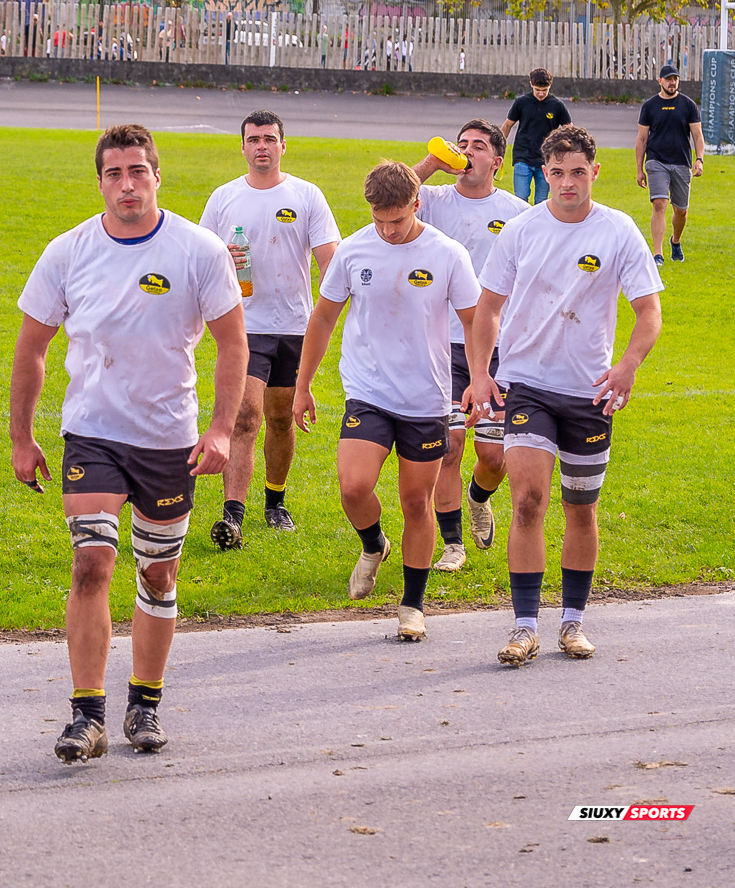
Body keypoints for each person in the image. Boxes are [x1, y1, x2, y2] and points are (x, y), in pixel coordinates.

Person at [11, 124, 245, 763]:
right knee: (92, 563)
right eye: (114, 174)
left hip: (170, 438)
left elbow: (232, 344)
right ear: (100, 183)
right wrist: (22, 436)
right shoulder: (68, 251)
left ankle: (145, 702)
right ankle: (87, 715)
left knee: (159, 572)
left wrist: (221, 429)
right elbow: (32, 348)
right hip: (92, 433)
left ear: (157, 176)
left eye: (137, 171)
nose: (126, 184)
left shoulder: (198, 250)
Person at [465, 124, 663, 667]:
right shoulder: (522, 230)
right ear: (544, 173)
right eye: (557, 173)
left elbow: (649, 311)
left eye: (578, 172)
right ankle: (524, 626)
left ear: (594, 172)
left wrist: (627, 365)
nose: (568, 182)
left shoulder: (620, 231)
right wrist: (481, 374)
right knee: (528, 499)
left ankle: (572, 622)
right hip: (527, 384)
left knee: (581, 506)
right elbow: (487, 308)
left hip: (589, 392)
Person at [293, 161, 481, 642]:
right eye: (379, 219)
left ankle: (412, 606)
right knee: (353, 487)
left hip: (427, 398)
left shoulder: (447, 254)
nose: (388, 229)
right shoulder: (354, 250)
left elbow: (476, 322)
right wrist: (302, 385)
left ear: (417, 205)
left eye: (396, 220)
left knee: (416, 502)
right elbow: (323, 320)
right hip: (368, 391)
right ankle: (374, 544)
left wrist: (479, 378)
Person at [197, 110, 340, 548]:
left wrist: (328, 310)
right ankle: (232, 516)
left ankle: (275, 503)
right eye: (253, 139)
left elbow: (330, 262)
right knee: (245, 415)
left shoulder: (307, 195)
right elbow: (202, 258)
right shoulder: (224, 199)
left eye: (269, 139)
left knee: (281, 418)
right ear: (242, 147)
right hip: (244, 326)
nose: (261, 146)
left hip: (295, 327)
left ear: (283, 145)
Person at [410, 121, 528, 571]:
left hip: (497, 350)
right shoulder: (433, 200)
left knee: (493, 456)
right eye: (462, 145)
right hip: (443, 345)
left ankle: (480, 496)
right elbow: (389, 198)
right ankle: (453, 543)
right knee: (450, 445)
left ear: (497, 162)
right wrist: (431, 164)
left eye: (478, 147)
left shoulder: (517, 212)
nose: (467, 152)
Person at [634, 64, 705, 264]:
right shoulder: (649, 106)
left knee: (680, 210)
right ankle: (658, 254)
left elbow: (698, 136)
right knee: (659, 204)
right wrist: (639, 169)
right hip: (656, 162)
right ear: (660, 81)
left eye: (675, 78)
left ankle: (675, 241)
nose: (672, 82)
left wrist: (699, 159)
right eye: (668, 79)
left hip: (682, 162)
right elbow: (641, 140)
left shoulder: (688, 105)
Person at [502, 69, 571, 205]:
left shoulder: (557, 106)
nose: (541, 94)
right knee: (520, 200)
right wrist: (499, 147)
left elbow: (569, 130)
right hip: (523, 156)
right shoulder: (521, 103)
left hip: (546, 159)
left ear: (550, 86)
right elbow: (507, 125)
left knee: (541, 201)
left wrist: (568, 151)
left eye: (544, 90)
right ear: (531, 84)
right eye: (538, 90)